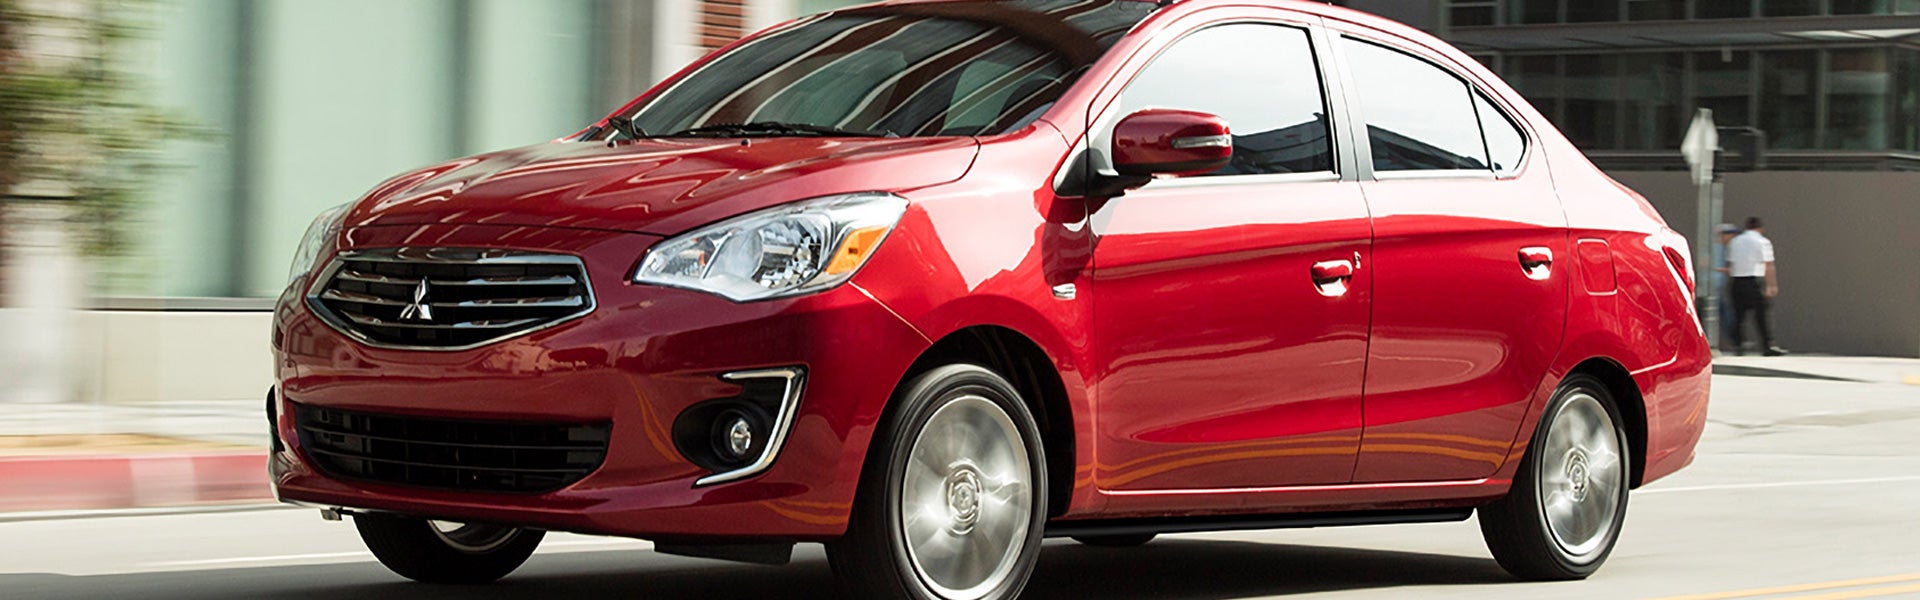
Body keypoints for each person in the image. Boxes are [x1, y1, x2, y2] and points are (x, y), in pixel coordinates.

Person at [1727, 217, 1786, 356]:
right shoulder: (1762, 242)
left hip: (1737, 281)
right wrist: (1771, 284)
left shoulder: (1734, 242)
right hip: (1754, 280)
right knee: (1762, 315)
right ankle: (1767, 345)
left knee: (1738, 316)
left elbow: (1731, 264)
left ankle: (1739, 345)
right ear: (1759, 228)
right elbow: (1768, 265)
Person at [1712, 223, 1740, 348]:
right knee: (1724, 316)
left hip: (1718, 287)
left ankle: (1735, 341)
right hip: (1713, 287)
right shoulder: (1716, 249)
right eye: (1730, 234)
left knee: (1724, 315)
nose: (1733, 237)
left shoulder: (1725, 249)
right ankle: (1735, 341)